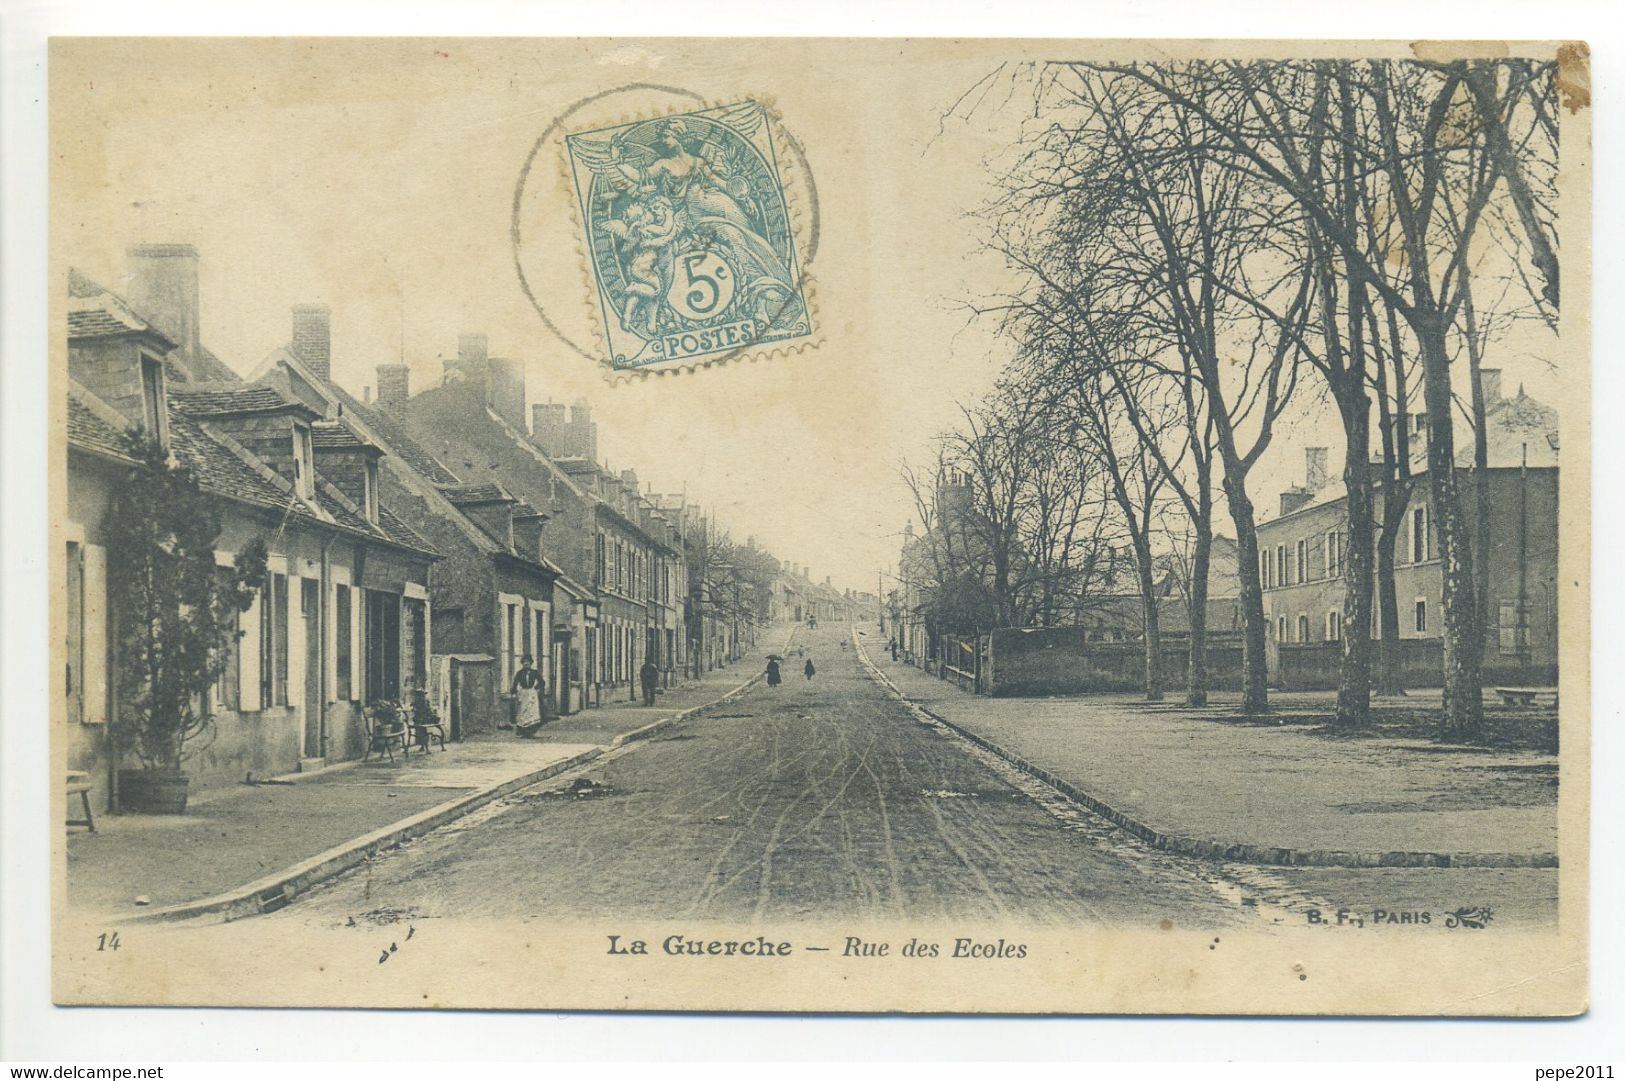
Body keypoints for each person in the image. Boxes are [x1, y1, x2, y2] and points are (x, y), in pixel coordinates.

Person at [511, 655, 545, 738]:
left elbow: (542, 682)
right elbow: (515, 683)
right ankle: (523, 731)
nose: (526, 664)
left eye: (528, 662)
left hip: (531, 693)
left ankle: (531, 731)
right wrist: (514, 692)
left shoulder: (534, 672)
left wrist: (536, 688)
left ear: (531, 663)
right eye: (524, 662)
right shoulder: (519, 673)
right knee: (523, 711)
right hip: (523, 693)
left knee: (532, 711)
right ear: (522, 663)